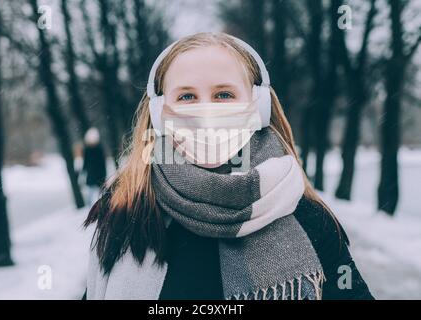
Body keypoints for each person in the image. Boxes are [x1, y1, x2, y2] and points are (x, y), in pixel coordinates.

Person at [83, 32, 374, 300]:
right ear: (159, 112)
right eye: (186, 97)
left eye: (224, 95)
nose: (206, 112)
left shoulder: (307, 217)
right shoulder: (124, 211)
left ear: (258, 106)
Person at [82, 127, 107, 206]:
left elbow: (103, 165)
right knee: (90, 196)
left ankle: (101, 208)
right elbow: (85, 164)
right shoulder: (87, 150)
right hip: (91, 177)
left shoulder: (99, 150)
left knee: (99, 196)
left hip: (99, 177)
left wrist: (103, 176)